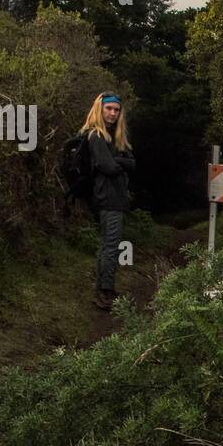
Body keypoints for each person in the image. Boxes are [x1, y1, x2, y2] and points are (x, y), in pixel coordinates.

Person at [78, 92, 135, 311]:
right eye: (109, 109)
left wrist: (117, 161)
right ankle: (105, 292)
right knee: (111, 246)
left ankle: (106, 289)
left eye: (116, 110)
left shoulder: (117, 137)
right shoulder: (96, 136)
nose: (112, 113)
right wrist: (121, 162)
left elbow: (133, 163)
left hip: (116, 198)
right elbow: (108, 167)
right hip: (106, 199)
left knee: (108, 245)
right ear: (100, 109)